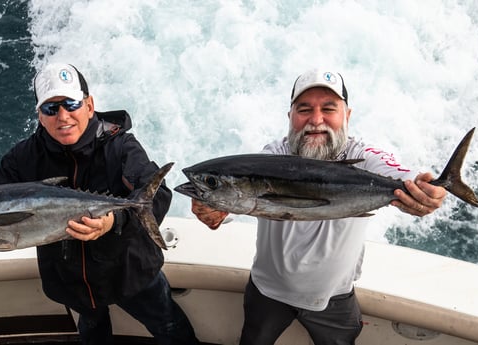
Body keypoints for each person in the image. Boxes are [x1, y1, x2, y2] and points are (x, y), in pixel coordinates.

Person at [0, 63, 199, 345]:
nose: (63, 116)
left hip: (130, 270)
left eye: (71, 104)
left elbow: (157, 194)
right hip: (70, 279)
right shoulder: (23, 158)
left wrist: (114, 221)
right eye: (51, 109)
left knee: (168, 326)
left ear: (89, 105)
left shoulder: (121, 147)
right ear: (40, 116)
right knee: (92, 331)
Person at [191, 68, 448, 345]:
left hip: (334, 298)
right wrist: (212, 209)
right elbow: (233, 199)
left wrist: (425, 191)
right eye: (304, 110)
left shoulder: (364, 157)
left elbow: (405, 177)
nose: (316, 120)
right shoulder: (271, 157)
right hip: (267, 291)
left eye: (329, 109)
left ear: (347, 116)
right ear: (290, 117)